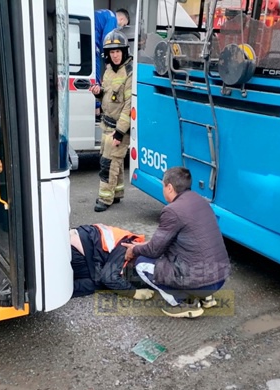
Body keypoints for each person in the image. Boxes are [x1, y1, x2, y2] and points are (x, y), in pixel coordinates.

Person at [123, 167, 231, 318]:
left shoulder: (172, 210)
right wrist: (143, 245)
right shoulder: (200, 201)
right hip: (219, 278)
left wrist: (133, 250)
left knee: (142, 263)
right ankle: (206, 297)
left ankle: (181, 302)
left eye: (163, 186)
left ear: (169, 187)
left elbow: (154, 250)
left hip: (202, 282)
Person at [90, 31, 133, 212]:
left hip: (118, 129)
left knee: (109, 163)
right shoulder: (108, 71)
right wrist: (98, 92)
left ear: (123, 51)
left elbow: (128, 107)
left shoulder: (129, 73)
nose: (115, 55)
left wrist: (119, 132)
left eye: (118, 51)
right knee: (115, 161)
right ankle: (116, 193)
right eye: (111, 52)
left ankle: (105, 198)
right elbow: (108, 96)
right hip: (107, 125)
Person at [70, 224, 154, 300]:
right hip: (75, 249)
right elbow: (109, 278)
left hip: (78, 245)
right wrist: (133, 292)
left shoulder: (131, 245)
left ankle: (62, 289)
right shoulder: (126, 246)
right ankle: (62, 290)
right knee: (100, 281)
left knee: (103, 278)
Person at [94, 8, 130, 120]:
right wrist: (108, 63)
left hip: (89, 38)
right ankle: (96, 107)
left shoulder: (104, 13)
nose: (122, 27)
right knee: (96, 72)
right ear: (122, 19)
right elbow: (107, 42)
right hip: (93, 44)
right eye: (124, 25)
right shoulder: (112, 19)